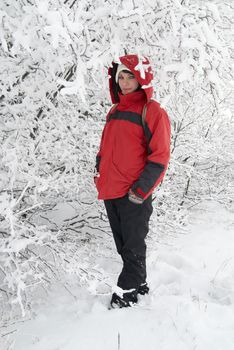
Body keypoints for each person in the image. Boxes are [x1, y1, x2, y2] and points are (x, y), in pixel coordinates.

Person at [94, 54, 171, 308]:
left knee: (133, 246)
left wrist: (140, 190)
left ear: (142, 80)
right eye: (121, 77)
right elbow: (104, 149)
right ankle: (141, 284)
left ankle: (124, 296)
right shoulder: (114, 111)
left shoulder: (153, 111)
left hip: (134, 193)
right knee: (124, 246)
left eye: (131, 77)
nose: (125, 83)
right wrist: (98, 172)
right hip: (111, 189)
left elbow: (160, 157)